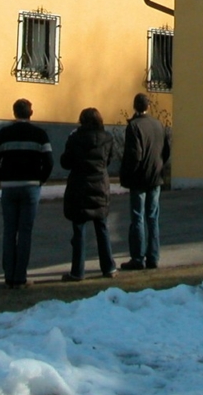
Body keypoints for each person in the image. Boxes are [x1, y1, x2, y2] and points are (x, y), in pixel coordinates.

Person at [0, 98, 52, 290]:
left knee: (9, 230)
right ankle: (20, 276)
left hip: (9, 186)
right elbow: (48, 162)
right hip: (31, 186)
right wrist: (40, 179)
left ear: (14, 112)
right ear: (30, 113)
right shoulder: (40, 134)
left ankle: (8, 275)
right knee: (25, 231)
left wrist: (1, 178)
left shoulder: (4, 133)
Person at [59, 107, 116, 281]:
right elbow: (109, 160)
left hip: (79, 186)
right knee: (102, 227)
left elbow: (65, 162)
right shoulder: (107, 138)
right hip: (100, 186)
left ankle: (78, 271)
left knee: (79, 230)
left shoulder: (75, 138)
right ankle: (109, 267)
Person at [120, 93, 171, 270]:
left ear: (134, 106)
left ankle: (137, 257)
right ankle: (153, 257)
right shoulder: (158, 125)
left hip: (139, 178)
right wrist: (160, 166)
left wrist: (127, 174)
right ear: (148, 106)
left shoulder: (134, 126)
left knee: (137, 217)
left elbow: (135, 155)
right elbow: (166, 151)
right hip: (155, 176)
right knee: (152, 217)